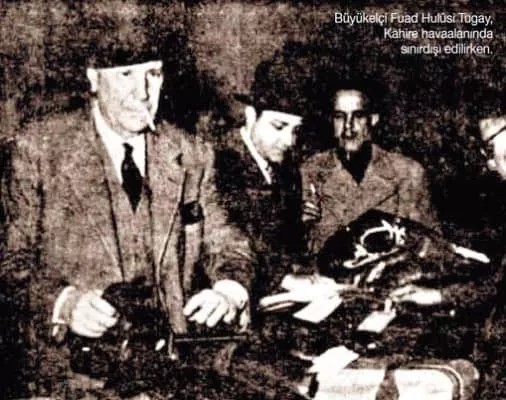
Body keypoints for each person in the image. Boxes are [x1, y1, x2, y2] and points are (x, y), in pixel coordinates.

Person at [0, 31, 254, 398]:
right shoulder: (38, 150)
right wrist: (64, 303)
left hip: (169, 375)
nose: (143, 93)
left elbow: (226, 239)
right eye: (126, 75)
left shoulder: (191, 152)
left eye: (153, 74)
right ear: (93, 79)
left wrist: (229, 290)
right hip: (73, 380)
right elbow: (10, 262)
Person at [301, 78, 439, 254]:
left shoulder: (408, 172)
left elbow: (431, 247)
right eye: (339, 117)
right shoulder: (310, 171)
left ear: (373, 120)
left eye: (358, 116)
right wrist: (299, 226)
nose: (348, 127)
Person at [215, 55, 309, 305]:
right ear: (250, 117)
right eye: (279, 126)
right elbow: (234, 243)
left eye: (296, 130)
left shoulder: (285, 168)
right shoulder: (219, 163)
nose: (289, 141)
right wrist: (284, 278)